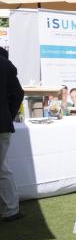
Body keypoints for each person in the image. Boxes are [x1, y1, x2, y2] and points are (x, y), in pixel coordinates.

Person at [0, 55, 24, 222]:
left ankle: (11, 209)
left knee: (2, 169)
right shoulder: (5, 64)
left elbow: (17, 94)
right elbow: (17, 94)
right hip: (2, 123)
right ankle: (10, 210)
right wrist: (8, 114)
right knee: (2, 168)